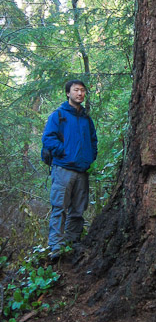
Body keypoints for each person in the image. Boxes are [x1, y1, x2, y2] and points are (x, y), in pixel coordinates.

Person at [42, 80, 98, 260]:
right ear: (68, 93)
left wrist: (90, 156)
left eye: (82, 91)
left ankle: (72, 242)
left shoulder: (86, 119)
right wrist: (64, 152)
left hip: (82, 171)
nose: (80, 94)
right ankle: (56, 247)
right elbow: (48, 139)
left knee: (78, 210)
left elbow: (93, 140)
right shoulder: (58, 116)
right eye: (76, 90)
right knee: (59, 207)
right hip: (63, 170)